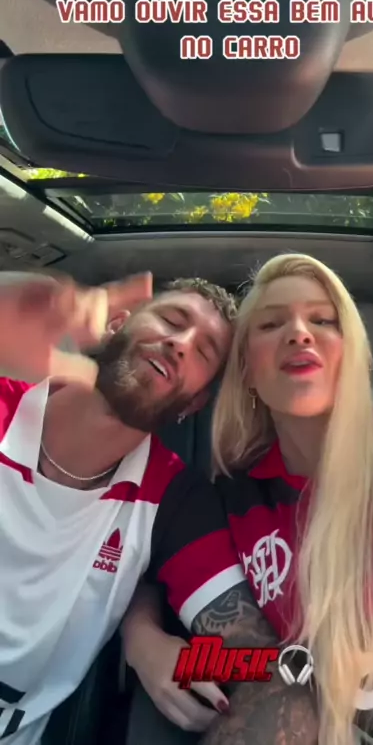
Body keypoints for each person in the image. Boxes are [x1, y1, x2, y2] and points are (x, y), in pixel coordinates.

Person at [124, 253, 373, 745]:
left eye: (323, 321)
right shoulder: (232, 500)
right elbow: (147, 568)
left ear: (355, 354)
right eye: (272, 324)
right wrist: (141, 640)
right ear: (247, 371)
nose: (298, 333)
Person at [0, 271, 311, 745]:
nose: (180, 344)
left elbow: (269, 667)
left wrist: (148, 640)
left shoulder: (175, 500)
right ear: (115, 324)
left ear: (195, 402)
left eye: (204, 351)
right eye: (171, 320)